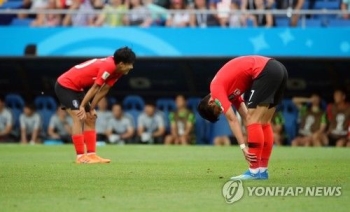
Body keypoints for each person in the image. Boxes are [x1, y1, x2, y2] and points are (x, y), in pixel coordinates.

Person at [197, 55, 288, 180]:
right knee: (263, 122)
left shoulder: (215, 89)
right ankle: (262, 170)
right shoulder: (231, 91)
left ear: (211, 102)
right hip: (279, 69)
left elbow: (232, 119)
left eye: (219, 110)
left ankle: (254, 171)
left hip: (266, 70)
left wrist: (243, 147)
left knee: (254, 120)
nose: (222, 110)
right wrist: (250, 133)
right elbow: (246, 117)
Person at [54, 47, 136, 164]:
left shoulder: (119, 71)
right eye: (130, 64)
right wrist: (82, 106)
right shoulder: (109, 66)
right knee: (78, 116)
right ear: (122, 64)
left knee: (91, 118)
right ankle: (80, 157)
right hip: (65, 85)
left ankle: (92, 155)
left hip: (77, 88)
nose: (131, 67)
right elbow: (95, 88)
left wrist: (91, 107)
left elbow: (104, 90)